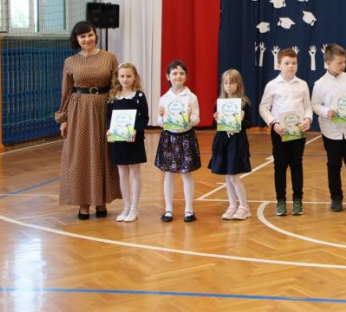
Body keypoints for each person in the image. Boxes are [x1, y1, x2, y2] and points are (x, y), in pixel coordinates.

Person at [55, 20, 120, 220]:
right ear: (77, 39)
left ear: (95, 35)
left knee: (102, 154)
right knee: (81, 155)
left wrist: (120, 114)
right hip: (79, 110)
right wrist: (63, 118)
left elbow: (116, 86)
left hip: (103, 108)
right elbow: (66, 91)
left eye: (90, 34)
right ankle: (83, 204)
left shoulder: (109, 57)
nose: (87, 39)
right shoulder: (70, 62)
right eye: (82, 36)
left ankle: (101, 202)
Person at [311, 44, 346, 213]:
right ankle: (336, 197)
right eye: (339, 63)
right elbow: (314, 104)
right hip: (331, 132)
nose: (343, 66)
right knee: (333, 165)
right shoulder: (320, 84)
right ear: (328, 62)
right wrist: (325, 111)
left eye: (344, 62)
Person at [259, 48, 312, 217]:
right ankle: (280, 201)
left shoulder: (302, 84)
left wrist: (308, 119)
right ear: (279, 65)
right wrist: (273, 123)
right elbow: (263, 107)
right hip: (279, 132)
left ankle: (298, 200)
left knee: (297, 164)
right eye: (287, 63)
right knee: (280, 166)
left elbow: (308, 106)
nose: (291, 66)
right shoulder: (272, 85)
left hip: (297, 132)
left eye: (294, 63)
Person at [155, 60, 201, 223]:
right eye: (174, 73)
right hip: (169, 138)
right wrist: (160, 116)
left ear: (186, 76)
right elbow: (160, 123)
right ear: (168, 76)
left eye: (181, 73)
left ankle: (189, 209)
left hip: (186, 138)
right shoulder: (164, 98)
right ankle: (168, 209)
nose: (178, 76)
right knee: (169, 174)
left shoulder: (191, 97)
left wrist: (189, 119)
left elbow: (197, 120)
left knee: (186, 174)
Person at [106, 63, 149, 222]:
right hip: (119, 141)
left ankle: (134, 208)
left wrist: (135, 131)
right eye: (122, 76)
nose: (125, 79)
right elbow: (109, 118)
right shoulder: (112, 96)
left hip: (134, 140)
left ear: (135, 77)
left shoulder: (139, 96)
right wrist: (109, 129)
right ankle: (126, 206)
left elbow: (144, 118)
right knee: (122, 173)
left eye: (129, 76)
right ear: (117, 77)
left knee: (135, 172)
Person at [209, 69, 253, 220]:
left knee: (234, 176)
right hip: (223, 142)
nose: (228, 85)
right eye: (226, 82)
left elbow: (250, 123)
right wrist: (216, 120)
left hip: (237, 142)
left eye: (232, 82)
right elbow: (214, 126)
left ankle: (244, 206)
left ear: (238, 84)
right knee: (228, 176)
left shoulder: (244, 102)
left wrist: (241, 119)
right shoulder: (219, 102)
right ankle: (232, 205)